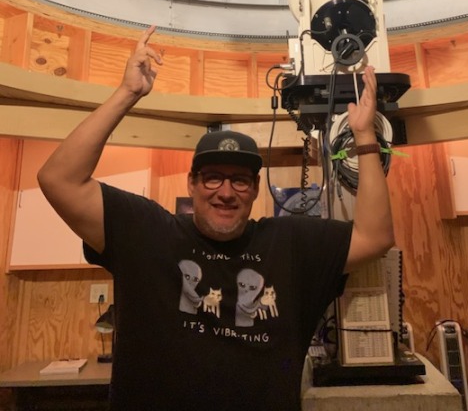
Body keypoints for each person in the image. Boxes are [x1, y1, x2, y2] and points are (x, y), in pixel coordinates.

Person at [37, 26, 394, 411]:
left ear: (254, 190)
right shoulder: (147, 232)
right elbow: (59, 180)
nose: (226, 192)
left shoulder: (288, 244)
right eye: (212, 177)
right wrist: (128, 93)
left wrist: (363, 136)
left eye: (240, 180)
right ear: (192, 184)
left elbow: (375, 237)